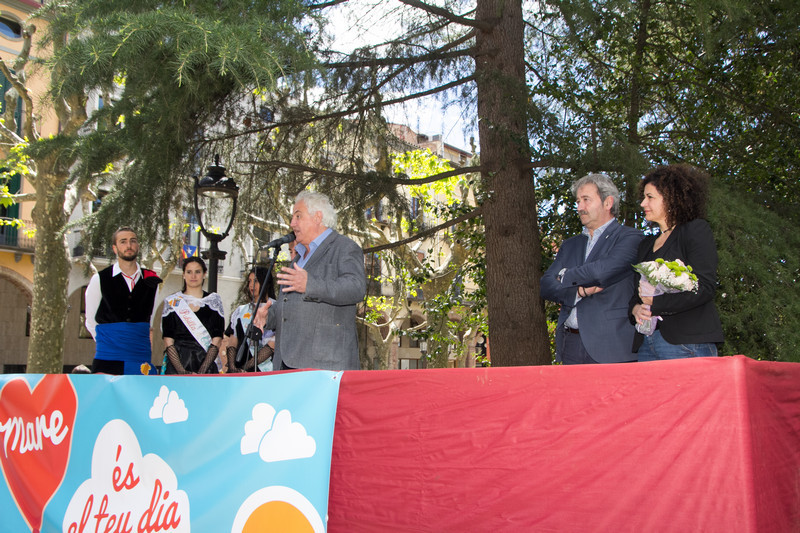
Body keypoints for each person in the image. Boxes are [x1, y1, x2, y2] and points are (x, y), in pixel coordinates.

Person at [254, 191, 366, 370]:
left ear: (317, 217)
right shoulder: (298, 257)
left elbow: (356, 287)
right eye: (292, 218)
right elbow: (290, 304)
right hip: (286, 362)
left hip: (325, 364)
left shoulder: (344, 247)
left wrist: (310, 284)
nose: (292, 223)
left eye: (298, 216)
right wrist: (270, 316)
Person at [541, 173, 644, 364]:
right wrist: (579, 292)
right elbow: (546, 285)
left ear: (608, 202)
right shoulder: (570, 245)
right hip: (570, 345)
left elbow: (601, 272)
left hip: (611, 345)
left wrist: (565, 275)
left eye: (586, 200)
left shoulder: (630, 238)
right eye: (578, 201)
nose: (580, 207)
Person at [630, 164, 723, 360]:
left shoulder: (695, 230)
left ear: (671, 198)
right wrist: (635, 309)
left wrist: (656, 303)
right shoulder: (645, 245)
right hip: (647, 343)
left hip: (687, 341)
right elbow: (636, 293)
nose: (643, 203)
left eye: (650, 197)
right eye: (643, 197)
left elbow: (705, 287)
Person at [85, 226, 163, 374]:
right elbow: (90, 321)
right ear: (115, 248)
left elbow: (150, 321)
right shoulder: (99, 279)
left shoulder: (151, 280)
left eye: (133, 241)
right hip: (107, 358)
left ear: (138, 246)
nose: (129, 245)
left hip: (139, 358)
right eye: (123, 241)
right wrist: (110, 344)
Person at [161, 256, 225, 374]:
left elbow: (217, 338)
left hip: (206, 364)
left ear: (204, 274)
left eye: (197, 272)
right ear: (183, 275)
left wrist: (202, 371)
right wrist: (182, 371)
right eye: (189, 272)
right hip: (177, 364)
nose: (193, 276)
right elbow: (168, 340)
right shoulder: (172, 302)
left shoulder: (214, 301)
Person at [224, 266, 276, 372]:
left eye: (256, 281)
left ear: (266, 283)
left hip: (263, 371)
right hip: (238, 370)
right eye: (249, 281)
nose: (251, 285)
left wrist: (246, 368)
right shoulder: (241, 311)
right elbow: (233, 341)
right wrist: (232, 367)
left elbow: (272, 345)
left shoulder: (275, 309)